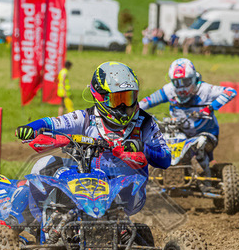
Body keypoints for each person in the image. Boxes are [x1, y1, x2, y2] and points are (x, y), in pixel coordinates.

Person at [13, 61, 171, 225]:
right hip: (88, 181)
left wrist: (142, 148)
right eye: (117, 99)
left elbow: (166, 159)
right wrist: (30, 128)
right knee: (43, 165)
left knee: (125, 190)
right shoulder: (86, 118)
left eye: (129, 97)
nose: (124, 106)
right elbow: (52, 123)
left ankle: (118, 226)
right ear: (100, 97)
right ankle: (28, 222)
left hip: (126, 190)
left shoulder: (145, 122)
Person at [138, 58, 237, 182]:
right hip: (179, 131)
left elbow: (231, 92)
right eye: (177, 82)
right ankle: (153, 177)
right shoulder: (169, 90)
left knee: (200, 148)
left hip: (206, 133)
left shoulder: (205, 90)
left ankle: (205, 181)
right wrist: (132, 110)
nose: (181, 87)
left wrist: (210, 108)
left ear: (193, 78)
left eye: (185, 81)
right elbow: (147, 101)